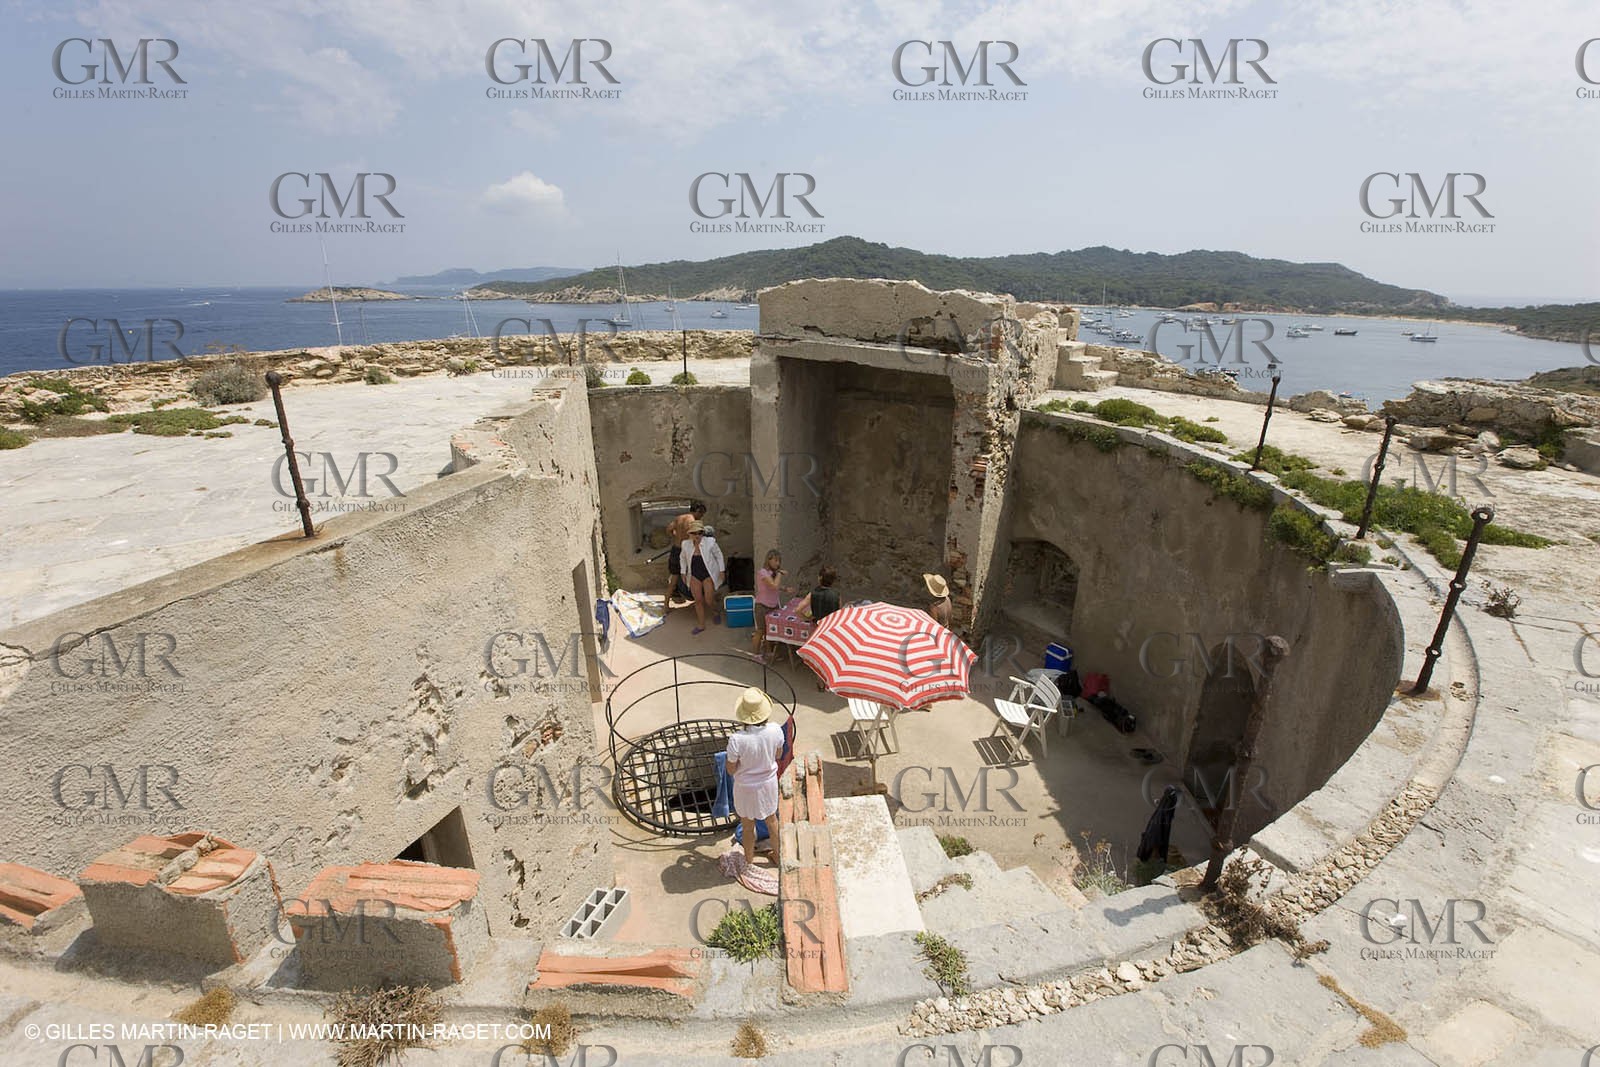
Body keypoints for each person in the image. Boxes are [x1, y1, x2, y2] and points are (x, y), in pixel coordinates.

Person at [725, 687, 784, 865]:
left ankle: (749, 861)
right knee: (772, 820)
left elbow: (730, 769)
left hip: (745, 788)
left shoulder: (737, 739)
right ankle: (778, 856)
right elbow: (779, 755)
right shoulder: (775, 730)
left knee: (748, 826)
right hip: (768, 784)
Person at [796, 566, 841, 690]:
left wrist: (808, 618)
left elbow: (798, 610)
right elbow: (839, 613)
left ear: (820, 578)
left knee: (818, 655)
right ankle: (829, 681)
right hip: (830, 629)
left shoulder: (813, 594)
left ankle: (820, 682)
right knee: (829, 655)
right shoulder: (836, 595)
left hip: (816, 627)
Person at [679, 520, 726, 634]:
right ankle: (701, 624)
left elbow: (719, 556)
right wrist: (683, 572)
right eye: (694, 533)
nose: (697, 536)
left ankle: (715, 611)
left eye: (700, 533)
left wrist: (721, 570)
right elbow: (683, 558)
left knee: (709, 599)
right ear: (690, 534)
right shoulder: (685, 544)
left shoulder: (710, 542)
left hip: (708, 573)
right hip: (694, 574)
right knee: (698, 600)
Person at [750, 549, 795, 660]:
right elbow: (773, 585)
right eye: (775, 560)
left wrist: (785, 589)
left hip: (773, 605)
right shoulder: (762, 572)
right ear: (768, 560)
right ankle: (755, 654)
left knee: (769, 631)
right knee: (760, 630)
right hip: (762, 606)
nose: (778, 563)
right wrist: (779, 573)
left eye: (779, 561)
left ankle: (769, 652)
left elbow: (775, 587)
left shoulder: (771, 573)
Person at [662, 501, 707, 605]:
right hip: (685, 552)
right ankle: (698, 602)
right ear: (698, 511)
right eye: (701, 514)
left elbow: (668, 529)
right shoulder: (693, 522)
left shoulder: (679, 518)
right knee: (695, 576)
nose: (701, 517)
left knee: (674, 578)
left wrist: (676, 537)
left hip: (675, 549)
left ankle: (666, 605)